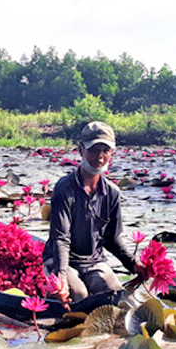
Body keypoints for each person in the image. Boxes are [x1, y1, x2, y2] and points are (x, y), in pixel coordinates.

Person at [43, 121, 145, 302]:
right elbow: (61, 238)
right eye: (93, 150)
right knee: (79, 296)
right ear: (81, 150)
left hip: (93, 261)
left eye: (105, 151)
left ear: (112, 153)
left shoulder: (112, 193)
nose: (99, 157)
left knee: (117, 298)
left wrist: (133, 263)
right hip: (61, 260)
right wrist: (62, 278)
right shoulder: (65, 188)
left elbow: (111, 238)